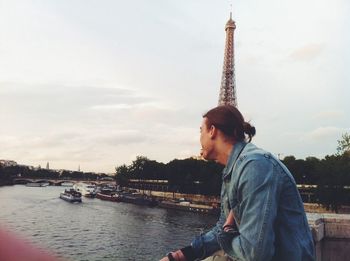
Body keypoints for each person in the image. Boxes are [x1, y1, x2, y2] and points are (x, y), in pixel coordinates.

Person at [160, 105, 315, 261]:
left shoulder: (255, 166)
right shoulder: (236, 168)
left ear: (212, 131)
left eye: (201, 131)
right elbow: (223, 225)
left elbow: (255, 254)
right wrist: (180, 255)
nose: (199, 138)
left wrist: (226, 232)